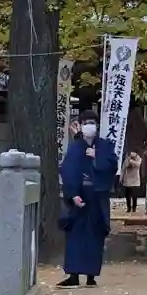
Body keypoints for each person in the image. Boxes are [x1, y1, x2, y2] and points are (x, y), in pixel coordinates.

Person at [58, 114, 118, 285]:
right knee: (75, 236)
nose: (89, 126)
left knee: (95, 235)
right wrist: (73, 194)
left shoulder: (105, 146)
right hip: (79, 196)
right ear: (81, 125)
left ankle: (91, 275)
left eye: (92, 123)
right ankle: (73, 275)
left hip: (97, 196)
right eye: (85, 123)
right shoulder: (75, 147)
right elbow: (68, 170)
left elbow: (112, 166)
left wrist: (97, 158)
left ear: (97, 125)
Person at [122, 146, 143, 213]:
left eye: (134, 152)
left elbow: (138, 165)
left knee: (134, 196)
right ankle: (128, 208)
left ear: (136, 153)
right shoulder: (127, 158)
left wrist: (131, 161)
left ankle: (134, 208)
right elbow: (124, 168)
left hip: (135, 180)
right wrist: (121, 178)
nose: (132, 154)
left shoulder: (139, 159)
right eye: (131, 152)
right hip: (127, 180)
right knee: (127, 195)